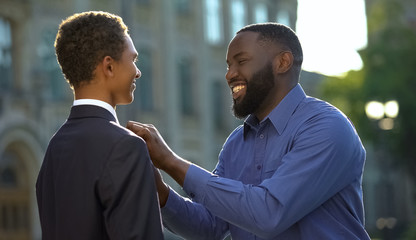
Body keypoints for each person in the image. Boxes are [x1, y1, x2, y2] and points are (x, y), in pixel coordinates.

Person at [127, 23, 370, 239]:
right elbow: (210, 227)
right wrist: (161, 193)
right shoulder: (236, 142)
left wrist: (171, 162)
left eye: (241, 61)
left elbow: (268, 214)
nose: (230, 74)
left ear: (282, 63)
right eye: (228, 65)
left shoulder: (326, 127)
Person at [36, 11, 163, 240]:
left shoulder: (54, 147)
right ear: (109, 66)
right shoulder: (127, 147)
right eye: (133, 60)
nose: (138, 71)